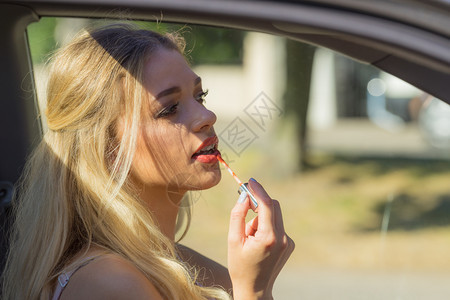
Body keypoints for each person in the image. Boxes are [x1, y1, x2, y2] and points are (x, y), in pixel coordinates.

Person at [2, 23, 294, 300]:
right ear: (108, 147)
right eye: (169, 109)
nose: (208, 117)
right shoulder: (109, 282)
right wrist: (252, 291)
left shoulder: (173, 259)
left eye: (200, 96)